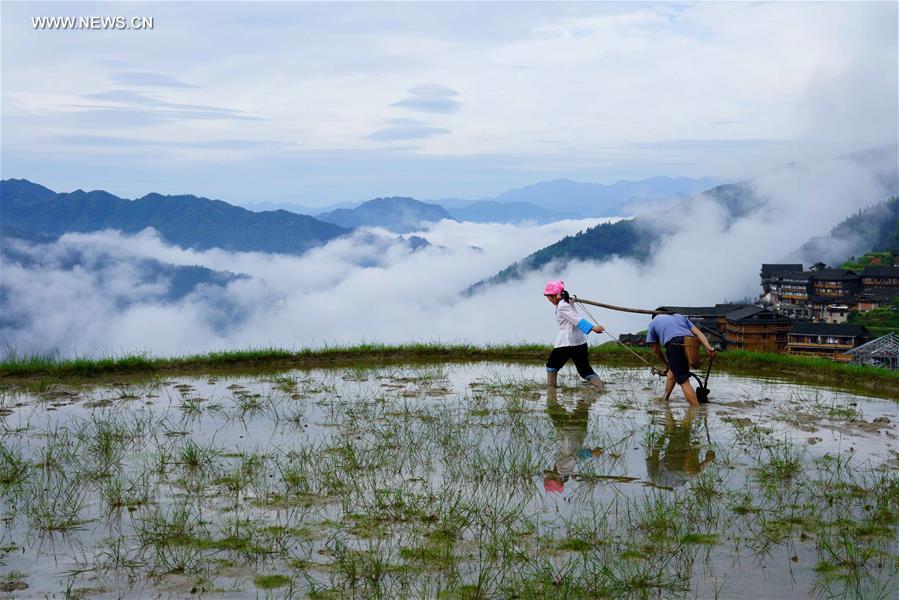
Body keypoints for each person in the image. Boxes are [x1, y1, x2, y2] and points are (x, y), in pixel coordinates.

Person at [543, 280, 605, 391]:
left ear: (556, 296)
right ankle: (601, 388)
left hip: (566, 343)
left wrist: (593, 328)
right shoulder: (566, 301)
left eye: (549, 297)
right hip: (579, 342)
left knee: (551, 365)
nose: (549, 300)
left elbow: (576, 319)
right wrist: (573, 298)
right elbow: (570, 299)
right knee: (584, 370)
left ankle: (551, 391)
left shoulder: (562, 306)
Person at [646, 312, 716, 406]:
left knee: (684, 381)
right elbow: (698, 333)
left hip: (675, 344)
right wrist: (708, 347)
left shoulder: (653, 323)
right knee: (673, 371)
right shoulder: (679, 316)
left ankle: (696, 409)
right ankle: (665, 398)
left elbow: (656, 349)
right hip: (691, 343)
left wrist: (666, 363)